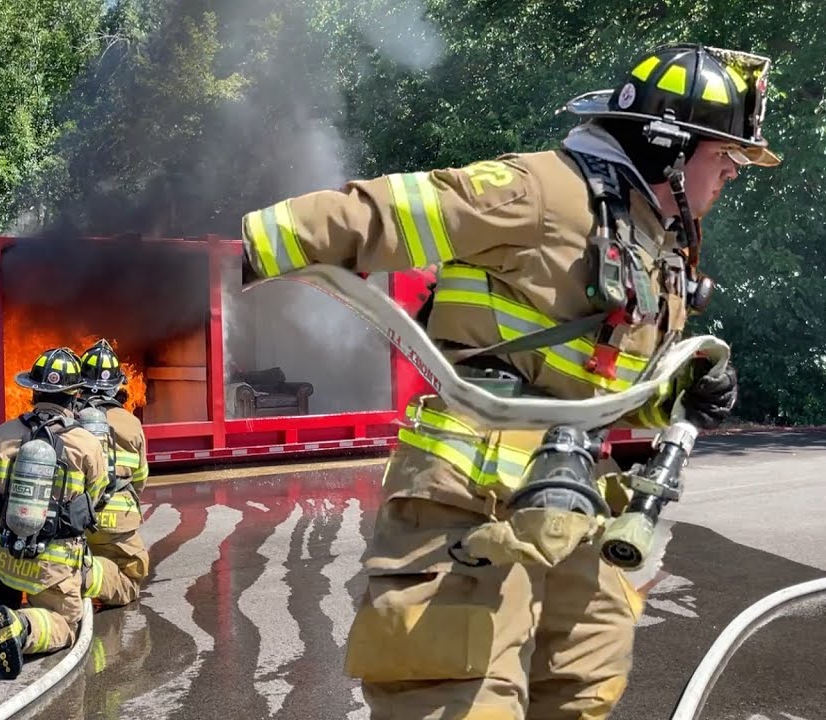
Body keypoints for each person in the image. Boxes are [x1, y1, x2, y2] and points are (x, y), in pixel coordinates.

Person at [238, 43, 779, 719]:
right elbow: (379, 211)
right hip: (468, 504)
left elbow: (598, 382)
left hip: (579, 504)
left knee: (584, 695)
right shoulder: (544, 191)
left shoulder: (654, 239)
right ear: (668, 147)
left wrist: (681, 393)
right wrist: (253, 250)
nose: (729, 174)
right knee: (453, 699)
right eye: (722, 157)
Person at [0, 346, 109, 679]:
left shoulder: (2, 434)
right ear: (75, 396)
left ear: (33, 391)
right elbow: (95, 498)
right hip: (51, 564)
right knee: (66, 623)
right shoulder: (87, 443)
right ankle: (21, 625)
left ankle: (4, 601)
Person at [74, 339, 151, 608]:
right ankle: (87, 576)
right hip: (117, 523)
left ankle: (72, 573)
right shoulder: (131, 422)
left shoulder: (69, 418)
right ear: (117, 385)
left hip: (74, 520)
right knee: (131, 577)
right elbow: (140, 479)